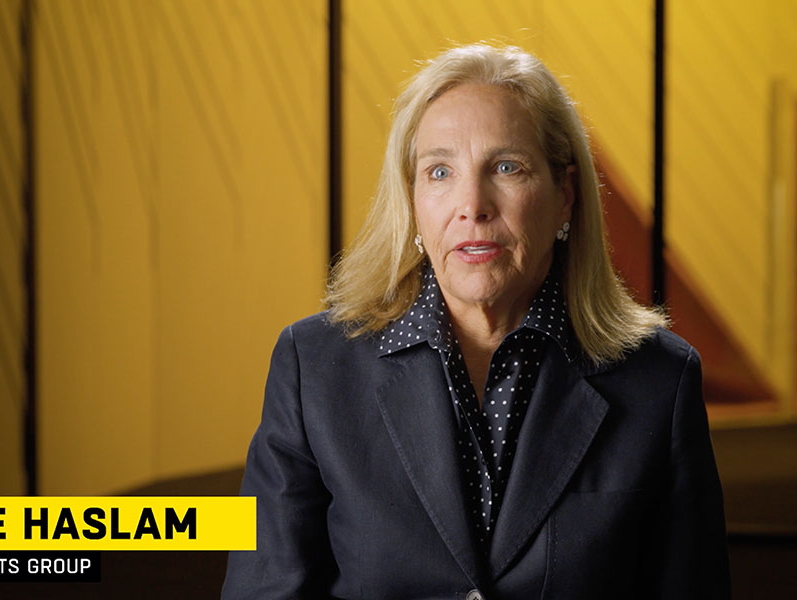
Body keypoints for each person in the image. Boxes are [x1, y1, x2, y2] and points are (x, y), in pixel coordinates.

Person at [222, 43, 730, 599]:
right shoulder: (313, 368)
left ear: (564, 196)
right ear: (413, 201)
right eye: (439, 171)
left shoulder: (660, 379)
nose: (472, 204)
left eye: (506, 167)